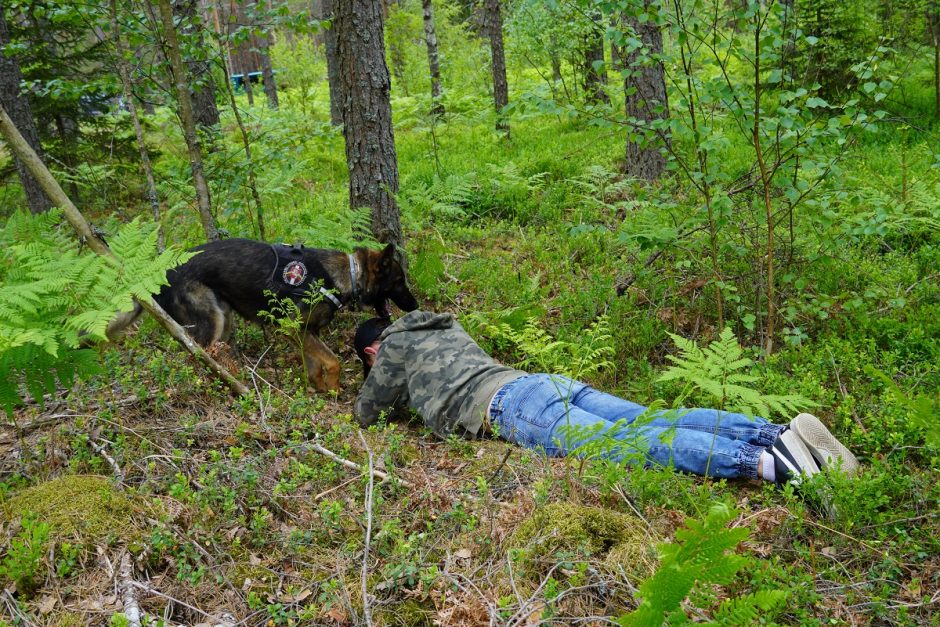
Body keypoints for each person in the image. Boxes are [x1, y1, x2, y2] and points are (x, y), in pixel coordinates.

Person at [353, 311, 860, 484]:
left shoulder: (390, 347)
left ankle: (773, 463)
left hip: (511, 407)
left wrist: (374, 368)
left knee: (628, 444)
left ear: (373, 348)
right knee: (649, 417)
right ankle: (774, 432)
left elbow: (367, 413)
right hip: (542, 382)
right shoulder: (443, 326)